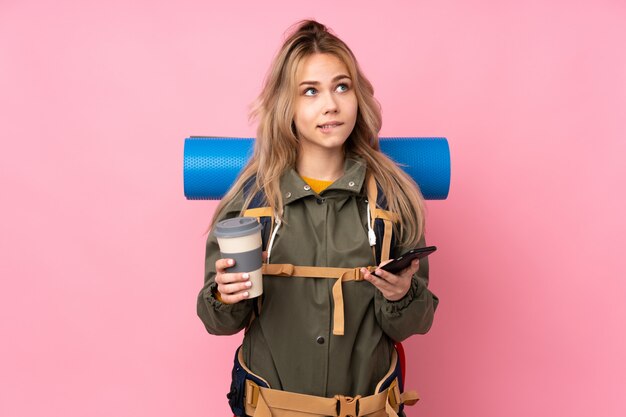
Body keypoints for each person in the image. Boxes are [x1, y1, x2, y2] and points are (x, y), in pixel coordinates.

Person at [197, 19, 438, 417]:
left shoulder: (393, 201)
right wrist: (225, 295)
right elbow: (219, 323)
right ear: (286, 106)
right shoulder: (249, 202)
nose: (331, 104)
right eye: (310, 91)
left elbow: (411, 325)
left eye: (341, 87)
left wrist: (401, 295)